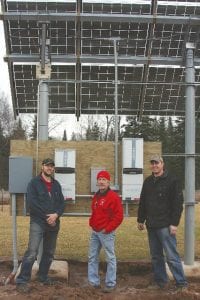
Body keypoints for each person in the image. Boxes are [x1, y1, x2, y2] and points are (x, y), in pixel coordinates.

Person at [137, 154, 187, 290]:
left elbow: (177, 204)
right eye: (152, 163)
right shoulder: (147, 181)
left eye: (157, 163)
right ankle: (161, 282)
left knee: (172, 256)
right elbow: (143, 202)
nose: (154, 165)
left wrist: (174, 224)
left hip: (166, 226)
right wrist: (140, 219)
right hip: (151, 226)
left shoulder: (172, 180)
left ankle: (181, 284)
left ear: (162, 164)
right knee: (156, 256)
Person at [16, 158, 65, 293]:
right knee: (32, 252)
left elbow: (62, 203)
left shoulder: (56, 184)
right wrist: (47, 217)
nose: (49, 168)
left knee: (49, 253)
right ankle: (22, 281)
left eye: (52, 166)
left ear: (53, 169)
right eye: (47, 166)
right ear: (42, 167)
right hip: (38, 222)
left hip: (54, 223)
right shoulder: (34, 183)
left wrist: (56, 215)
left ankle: (42, 277)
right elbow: (32, 203)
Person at [88, 170, 124, 293]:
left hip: (106, 233)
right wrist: (92, 223)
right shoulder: (96, 195)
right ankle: (93, 282)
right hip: (95, 232)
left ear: (108, 182)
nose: (101, 181)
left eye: (104, 179)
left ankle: (110, 283)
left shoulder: (113, 197)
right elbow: (95, 212)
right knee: (92, 257)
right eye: (100, 179)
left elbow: (119, 216)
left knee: (110, 257)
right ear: (97, 182)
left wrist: (108, 229)